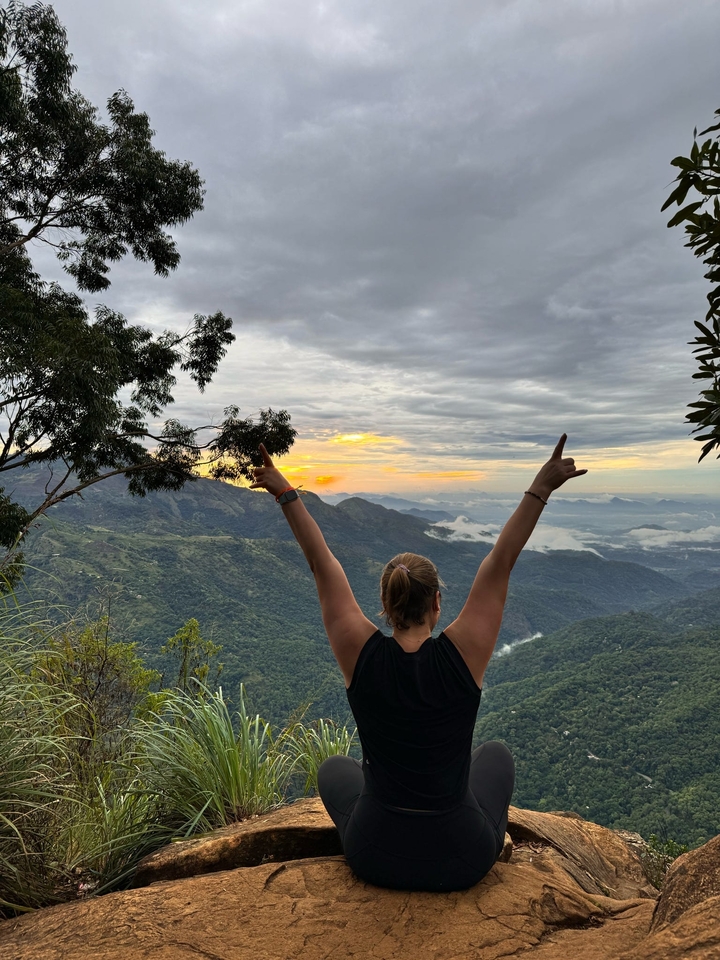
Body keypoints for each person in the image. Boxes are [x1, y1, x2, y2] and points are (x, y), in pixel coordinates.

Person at [250, 435, 587, 891]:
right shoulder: (462, 654)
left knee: (334, 768)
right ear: (437, 604)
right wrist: (540, 488)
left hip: (374, 853)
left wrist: (283, 491)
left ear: (385, 607)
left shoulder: (360, 652)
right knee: (495, 755)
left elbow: (320, 562)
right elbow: (501, 561)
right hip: (462, 857)